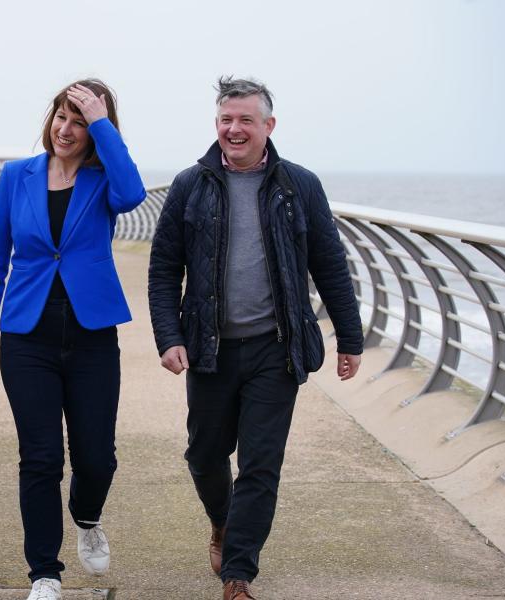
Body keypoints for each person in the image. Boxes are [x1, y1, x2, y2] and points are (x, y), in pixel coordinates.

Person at [147, 76, 364, 600]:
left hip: (276, 346)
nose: (235, 129)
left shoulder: (300, 186)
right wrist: (168, 336)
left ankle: (238, 574)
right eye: (227, 119)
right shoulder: (190, 185)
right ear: (216, 124)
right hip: (209, 348)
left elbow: (330, 265)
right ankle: (223, 522)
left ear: (269, 125)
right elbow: (162, 268)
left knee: (261, 462)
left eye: (246, 119)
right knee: (204, 455)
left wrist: (350, 339)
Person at [0, 79, 145, 600]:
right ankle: (44, 571)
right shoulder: (17, 176)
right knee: (40, 458)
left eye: (80, 121)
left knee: (96, 458)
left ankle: (87, 516)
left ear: (96, 131)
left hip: (92, 336)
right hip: (28, 337)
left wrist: (102, 121)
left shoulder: (104, 178)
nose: (66, 129)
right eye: (61, 117)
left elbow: (133, 193)